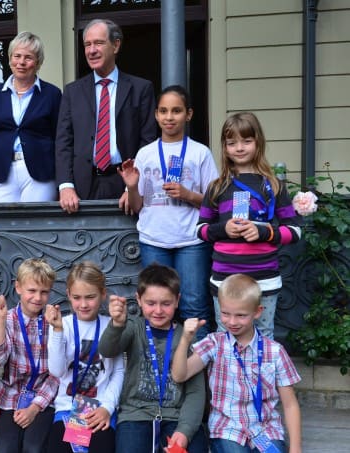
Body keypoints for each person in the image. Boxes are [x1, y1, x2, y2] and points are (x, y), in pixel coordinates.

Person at [120, 85, 219, 339]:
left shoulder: (200, 153)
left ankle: (197, 373)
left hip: (191, 241)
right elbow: (138, 205)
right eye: (163, 111)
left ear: (188, 114)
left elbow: (215, 203)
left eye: (176, 111)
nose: (169, 117)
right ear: (156, 115)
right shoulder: (146, 154)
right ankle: (159, 370)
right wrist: (131, 187)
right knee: (157, 309)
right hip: (154, 240)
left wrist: (188, 195)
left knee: (193, 307)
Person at [197, 112, 302, 339]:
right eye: (232, 142)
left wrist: (263, 231)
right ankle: (228, 376)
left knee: (263, 335)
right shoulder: (216, 187)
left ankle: (260, 377)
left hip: (263, 278)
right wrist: (223, 229)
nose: (239, 148)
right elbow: (201, 230)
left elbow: (294, 231)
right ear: (224, 148)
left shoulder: (274, 185)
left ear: (258, 143)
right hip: (225, 279)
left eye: (246, 141)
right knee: (226, 336)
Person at [171, 274, 302, 453]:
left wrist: (296, 448)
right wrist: (185, 339)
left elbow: (290, 404)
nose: (232, 322)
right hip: (227, 429)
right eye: (225, 313)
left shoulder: (275, 352)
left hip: (266, 431)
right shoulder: (214, 343)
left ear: (257, 312)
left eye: (240, 315)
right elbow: (179, 375)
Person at [98, 263, 207, 453]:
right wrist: (116, 324)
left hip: (177, 417)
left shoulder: (188, 334)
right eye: (151, 303)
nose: (158, 310)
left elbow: (196, 392)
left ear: (177, 300)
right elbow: (107, 350)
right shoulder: (133, 327)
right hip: (136, 414)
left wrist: (185, 431)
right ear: (138, 300)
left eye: (166, 303)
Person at [55, 18, 157, 214]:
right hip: (81, 186)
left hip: (124, 183)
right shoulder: (72, 92)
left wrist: (133, 187)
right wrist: (65, 185)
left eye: (99, 43)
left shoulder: (141, 88)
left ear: (116, 45)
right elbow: (63, 142)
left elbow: (148, 141)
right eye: (87, 44)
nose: (92, 50)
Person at [0, 31, 62, 203]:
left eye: (28, 57)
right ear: (10, 58)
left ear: (38, 62)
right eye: (17, 56)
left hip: (40, 174)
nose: (21, 62)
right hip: (1, 172)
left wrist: (62, 183)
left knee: (34, 226)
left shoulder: (52, 94)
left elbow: (60, 140)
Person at [45, 261, 125, 452]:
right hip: (66, 407)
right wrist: (57, 330)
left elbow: (119, 371)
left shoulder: (111, 325)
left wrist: (108, 407)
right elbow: (56, 370)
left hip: (100, 409)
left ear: (103, 294)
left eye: (90, 297)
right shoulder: (62, 325)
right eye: (77, 297)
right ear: (68, 295)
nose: (83, 304)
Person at [0, 258, 60, 453]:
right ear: (18, 287)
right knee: (5, 449)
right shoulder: (10, 319)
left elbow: (57, 373)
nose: (37, 298)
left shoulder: (52, 322)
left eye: (44, 292)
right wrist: (1, 321)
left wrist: (35, 407)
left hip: (42, 398)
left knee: (34, 448)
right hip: (9, 397)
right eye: (32, 291)